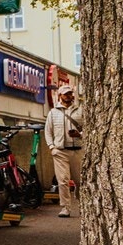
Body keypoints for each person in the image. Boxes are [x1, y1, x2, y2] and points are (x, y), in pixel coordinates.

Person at [44, 85, 85, 218]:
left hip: (77, 151)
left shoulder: (81, 110)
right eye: (65, 94)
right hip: (60, 151)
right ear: (60, 96)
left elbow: (89, 128)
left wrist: (80, 135)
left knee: (80, 181)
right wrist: (52, 147)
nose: (68, 96)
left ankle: (83, 205)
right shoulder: (53, 113)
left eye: (70, 94)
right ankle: (65, 207)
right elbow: (48, 132)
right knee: (63, 181)